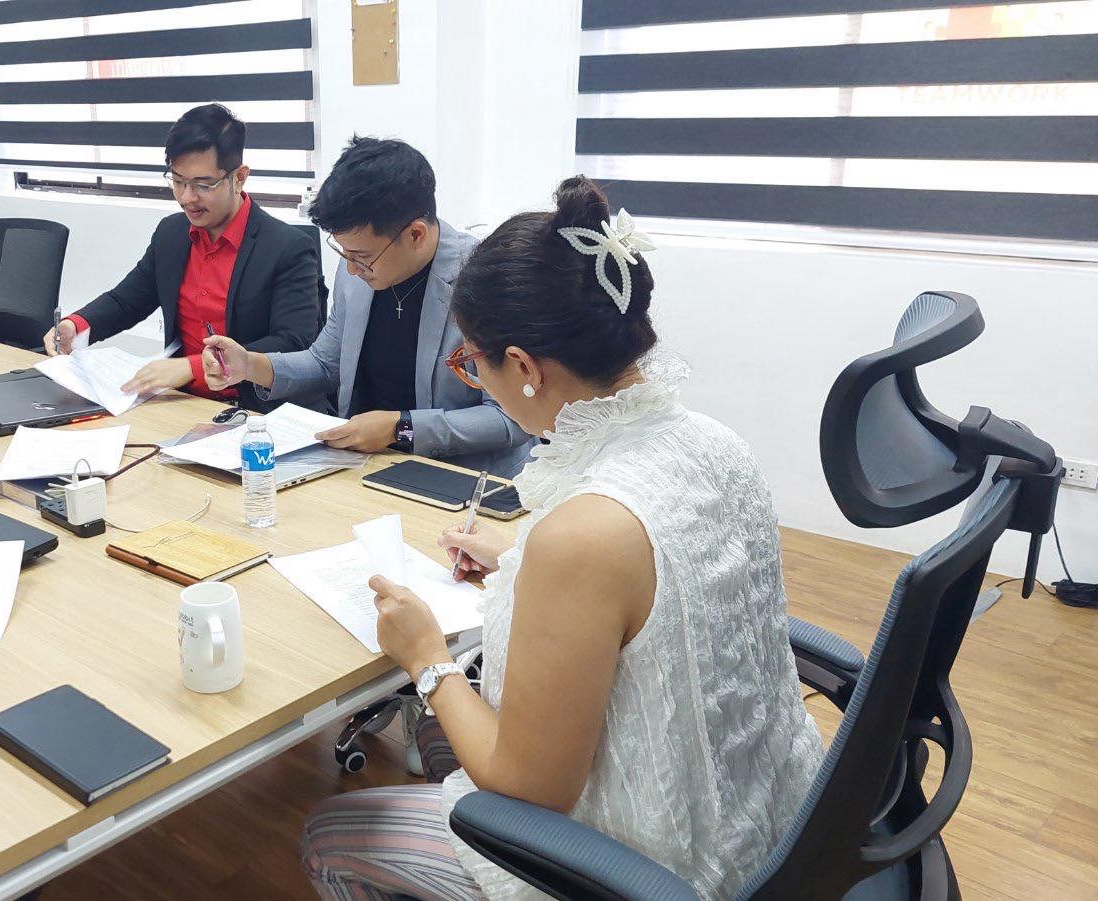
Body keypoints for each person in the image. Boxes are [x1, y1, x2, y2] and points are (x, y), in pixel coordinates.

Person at [300, 177, 824, 900]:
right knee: (437, 735)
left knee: (331, 836)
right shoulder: (714, 442)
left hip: (657, 867)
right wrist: (520, 562)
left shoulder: (585, 533)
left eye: (471, 363)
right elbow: (663, 582)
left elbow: (531, 785)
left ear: (522, 366)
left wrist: (424, 656)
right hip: (773, 822)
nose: (475, 379)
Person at [202, 137, 533, 476]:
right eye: (344, 253)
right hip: (365, 466)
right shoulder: (360, 268)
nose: (350, 269)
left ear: (416, 235)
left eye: (361, 257)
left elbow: (510, 417)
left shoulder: (486, 279)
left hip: (464, 478)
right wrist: (249, 365)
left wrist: (401, 428)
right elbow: (326, 363)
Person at [42, 103, 322, 411]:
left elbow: (293, 344)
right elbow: (127, 301)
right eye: (178, 181)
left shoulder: (287, 248)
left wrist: (193, 366)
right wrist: (76, 325)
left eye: (203, 185)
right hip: (182, 403)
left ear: (239, 177)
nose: (187, 198)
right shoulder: (172, 234)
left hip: (255, 410)